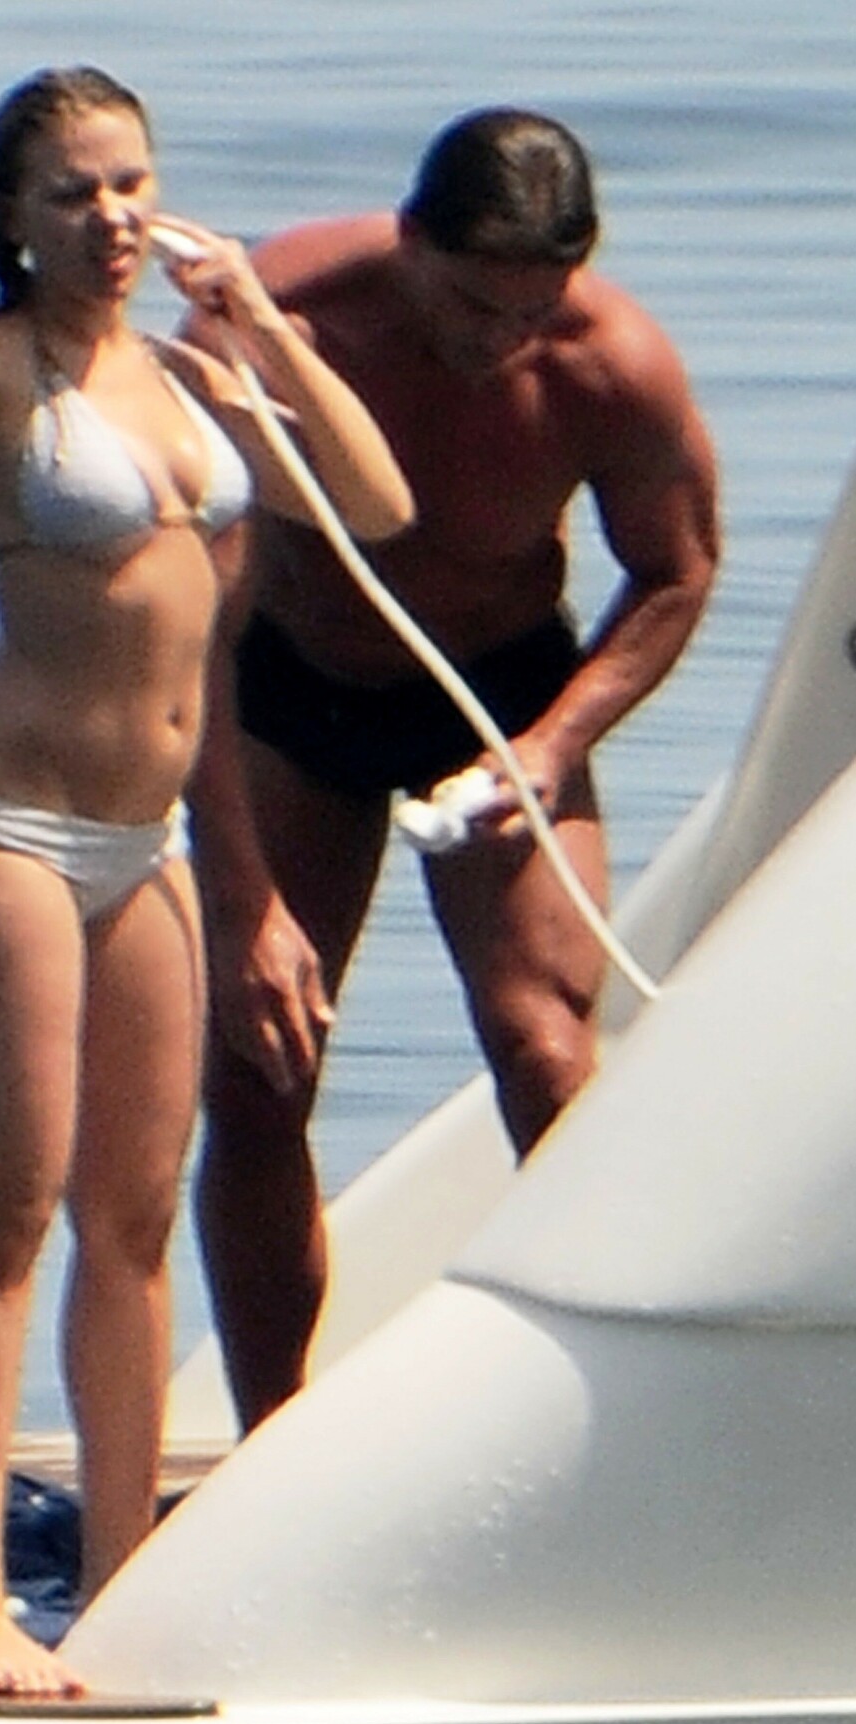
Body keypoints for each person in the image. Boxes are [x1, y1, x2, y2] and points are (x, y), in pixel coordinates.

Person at [0, 66, 411, 1698]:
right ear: (12, 219)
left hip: (144, 846)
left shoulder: (191, 373)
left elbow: (377, 505)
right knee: (10, 1217)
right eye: (73, 193)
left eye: (129, 186)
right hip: (3, 832)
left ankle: (114, 1580)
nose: (109, 219)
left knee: (135, 1220)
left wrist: (262, 322)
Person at [185, 107, 719, 1432]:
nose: (500, 343)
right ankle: (270, 1437)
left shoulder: (611, 366)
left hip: (498, 700)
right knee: (258, 1071)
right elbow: (181, 596)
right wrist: (241, 896)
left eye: (533, 312)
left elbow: (676, 569)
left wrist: (553, 745)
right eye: (476, 306)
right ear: (413, 241)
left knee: (545, 1047)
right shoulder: (287, 312)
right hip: (290, 695)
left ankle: (605, 1418)